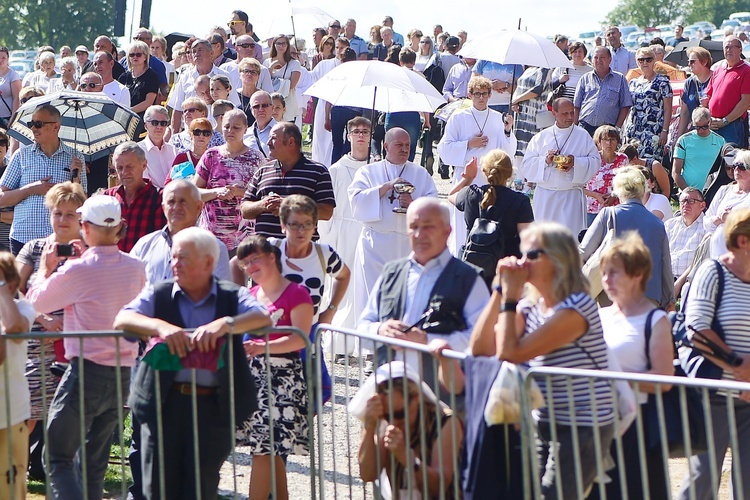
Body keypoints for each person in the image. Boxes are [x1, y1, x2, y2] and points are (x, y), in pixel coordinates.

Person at [115, 227, 271, 500]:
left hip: (212, 409)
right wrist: (159, 326)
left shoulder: (230, 296)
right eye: (174, 257)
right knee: (158, 489)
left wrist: (226, 324)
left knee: (199, 489)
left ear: (208, 262)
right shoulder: (160, 293)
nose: (175, 263)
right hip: (163, 405)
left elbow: (263, 317)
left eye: (184, 257)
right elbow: (124, 319)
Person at [470, 222, 615, 499]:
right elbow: (480, 347)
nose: (523, 262)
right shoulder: (532, 304)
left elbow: (509, 352)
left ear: (559, 259)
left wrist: (511, 298)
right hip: (544, 421)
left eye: (532, 255)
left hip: (583, 425)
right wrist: (501, 290)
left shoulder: (578, 306)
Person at [27, 194, 146, 500]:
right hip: (122, 376)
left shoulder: (78, 270)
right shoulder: (135, 267)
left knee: (57, 457)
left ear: (85, 227)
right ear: (119, 227)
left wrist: (45, 268)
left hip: (86, 373)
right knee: (93, 463)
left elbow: (35, 302)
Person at [675, 207, 750, 500]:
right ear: (743, 241)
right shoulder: (713, 271)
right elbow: (696, 330)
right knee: (702, 480)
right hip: (713, 395)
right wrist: (738, 366)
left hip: (748, 397)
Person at [594, 232, 674, 500]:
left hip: (637, 429)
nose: (606, 280)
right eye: (604, 272)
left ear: (637, 274)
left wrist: (614, 378)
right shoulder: (597, 315)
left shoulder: (656, 320)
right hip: (596, 422)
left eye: (614, 273)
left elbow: (663, 380)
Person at [233, 234, 313, 500]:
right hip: (254, 381)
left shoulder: (297, 293)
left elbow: (300, 338)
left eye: (255, 259)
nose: (251, 267)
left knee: (263, 450)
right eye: (246, 263)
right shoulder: (251, 294)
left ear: (271, 257)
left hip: (283, 381)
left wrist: (262, 347)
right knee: (270, 450)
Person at [349, 128, 438, 320]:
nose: (404, 149)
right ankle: (372, 346)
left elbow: (434, 207)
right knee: (372, 297)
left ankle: (401, 344)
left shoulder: (420, 173)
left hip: (409, 246)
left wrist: (413, 204)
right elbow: (356, 201)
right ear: (386, 146)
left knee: (406, 299)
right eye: (399, 145)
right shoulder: (368, 171)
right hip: (375, 246)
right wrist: (387, 187)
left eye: (407, 145)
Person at [351, 361, 464, 499]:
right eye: (388, 416)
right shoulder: (382, 420)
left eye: (400, 414)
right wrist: (369, 427)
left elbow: (438, 488)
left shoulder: (445, 422)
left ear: (416, 398)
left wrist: (405, 456)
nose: (394, 422)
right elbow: (368, 474)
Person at [438, 76, 517, 255]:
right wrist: (468, 144)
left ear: (490, 95)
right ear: (469, 94)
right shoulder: (458, 117)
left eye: (484, 94)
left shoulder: (498, 118)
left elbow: (508, 151)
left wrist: (507, 130)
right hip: (466, 178)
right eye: (477, 94)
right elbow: (444, 149)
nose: (481, 98)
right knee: (462, 222)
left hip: (491, 180)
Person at [581, 167, 674, 308]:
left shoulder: (608, 215)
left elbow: (584, 252)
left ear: (617, 190)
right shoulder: (657, 224)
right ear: (644, 189)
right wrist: (669, 301)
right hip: (648, 299)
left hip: (611, 297)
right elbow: (666, 266)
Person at [0, 104, 86, 255]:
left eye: (38, 124)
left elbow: (82, 205)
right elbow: (2, 198)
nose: (33, 128)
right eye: (31, 124)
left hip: (59, 240)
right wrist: (31, 189)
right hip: (23, 238)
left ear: (56, 127)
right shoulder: (21, 155)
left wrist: (76, 180)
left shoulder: (76, 158)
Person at [448, 151, 534, 285]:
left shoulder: (471, 194)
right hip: (506, 271)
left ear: (484, 171)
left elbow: (451, 195)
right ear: (510, 173)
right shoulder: (520, 201)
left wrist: (468, 178)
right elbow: (527, 240)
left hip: (473, 267)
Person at [318, 117, 370, 334]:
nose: (360, 135)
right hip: (342, 232)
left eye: (365, 132)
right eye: (356, 131)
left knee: (363, 286)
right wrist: (328, 237)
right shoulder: (336, 169)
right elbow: (328, 208)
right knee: (341, 285)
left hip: (366, 231)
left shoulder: (375, 168)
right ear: (348, 136)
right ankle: (337, 336)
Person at [519, 97, 600, 237]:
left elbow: (595, 161)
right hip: (546, 198)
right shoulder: (541, 137)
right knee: (545, 241)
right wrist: (545, 160)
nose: (569, 117)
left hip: (571, 198)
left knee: (570, 240)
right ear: (554, 113)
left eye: (571, 113)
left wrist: (575, 162)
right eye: (565, 113)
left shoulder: (583, 136)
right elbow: (526, 166)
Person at [241, 122, 335, 239]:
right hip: (264, 252)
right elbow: (244, 210)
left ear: (290, 142)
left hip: (301, 252)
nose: (268, 143)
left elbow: (326, 212)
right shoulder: (262, 171)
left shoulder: (318, 172)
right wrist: (264, 204)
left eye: (273, 138)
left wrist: (289, 206)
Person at [193, 109, 264, 254]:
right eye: (226, 126)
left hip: (244, 240)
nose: (230, 131)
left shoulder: (256, 159)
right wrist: (217, 192)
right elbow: (194, 192)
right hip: (211, 237)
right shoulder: (211, 155)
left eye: (236, 127)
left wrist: (239, 192)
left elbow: (262, 197)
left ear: (245, 129)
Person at [0, 252, 37, 500]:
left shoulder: (24, 308)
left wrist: (2, 290)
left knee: (12, 491)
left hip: (12, 414)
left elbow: (13, 326)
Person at [104, 141, 167, 252]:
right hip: (112, 266)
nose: (124, 172)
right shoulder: (107, 197)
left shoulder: (159, 198)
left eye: (129, 167)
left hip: (144, 266)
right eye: (119, 168)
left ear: (143, 165)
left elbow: (161, 242)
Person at [622, 47, 673, 163]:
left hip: (653, 129)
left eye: (648, 59)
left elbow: (668, 109)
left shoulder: (662, 82)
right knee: (632, 162)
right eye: (641, 60)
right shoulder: (633, 83)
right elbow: (629, 107)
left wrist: (665, 131)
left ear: (654, 61)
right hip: (634, 130)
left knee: (650, 164)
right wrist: (625, 130)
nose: (645, 62)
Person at [574, 46, 633, 135]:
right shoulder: (585, 78)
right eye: (596, 57)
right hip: (585, 127)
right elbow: (576, 105)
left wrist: (617, 127)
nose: (598, 60)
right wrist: (575, 127)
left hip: (607, 130)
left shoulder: (620, 79)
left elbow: (625, 105)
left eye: (602, 57)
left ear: (610, 60)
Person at [703, 149, 750, 258]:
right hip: (717, 257)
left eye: (742, 166)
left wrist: (732, 218)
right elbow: (706, 221)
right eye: (735, 165)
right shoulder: (724, 191)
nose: (737, 169)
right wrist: (719, 219)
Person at [705, 36, 750, 148]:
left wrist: (725, 121)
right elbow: (708, 96)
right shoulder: (718, 69)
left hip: (732, 125)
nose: (728, 50)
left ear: (740, 50)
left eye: (732, 47)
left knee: (732, 161)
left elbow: (745, 102)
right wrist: (708, 118)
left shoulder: (746, 70)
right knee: (714, 162)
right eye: (726, 47)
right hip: (713, 124)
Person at [674, 106, 727, 191]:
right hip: (689, 194)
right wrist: (688, 192)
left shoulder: (720, 141)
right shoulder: (683, 140)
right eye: (697, 127)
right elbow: (676, 172)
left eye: (704, 127)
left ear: (710, 122)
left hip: (713, 193)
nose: (701, 131)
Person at [584, 125, 629, 225]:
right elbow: (579, 186)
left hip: (616, 208)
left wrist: (614, 195)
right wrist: (596, 195)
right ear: (599, 142)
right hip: (593, 209)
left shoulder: (623, 159)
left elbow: (627, 183)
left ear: (617, 141)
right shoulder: (592, 158)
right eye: (605, 139)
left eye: (612, 139)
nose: (609, 143)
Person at [667, 188, 707, 296]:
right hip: (665, 277)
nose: (685, 204)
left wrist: (679, 283)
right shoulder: (670, 225)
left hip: (691, 281)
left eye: (691, 201)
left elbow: (699, 262)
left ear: (702, 205)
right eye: (682, 201)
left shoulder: (707, 228)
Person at [510, 65, 552, 155]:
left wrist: (516, 100)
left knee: (534, 150)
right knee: (519, 151)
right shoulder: (527, 70)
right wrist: (515, 103)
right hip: (521, 116)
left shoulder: (544, 69)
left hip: (536, 116)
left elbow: (538, 90)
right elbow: (519, 88)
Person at [119, 40, 160, 129]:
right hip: (122, 117)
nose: (135, 57)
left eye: (138, 54)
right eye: (132, 55)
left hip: (142, 119)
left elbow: (148, 102)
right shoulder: (123, 76)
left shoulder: (152, 76)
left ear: (145, 56)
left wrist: (128, 111)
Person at [138, 105, 177, 188]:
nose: (159, 127)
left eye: (163, 123)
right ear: (146, 126)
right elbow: (143, 183)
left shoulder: (173, 150)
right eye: (155, 123)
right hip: (151, 198)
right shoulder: (137, 151)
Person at [677, 47, 713, 137]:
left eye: (692, 61)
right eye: (688, 62)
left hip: (713, 130)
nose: (689, 65)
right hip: (695, 132)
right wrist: (679, 137)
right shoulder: (690, 82)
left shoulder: (716, 78)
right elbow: (685, 113)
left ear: (704, 62)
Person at [265, 35, 302, 122]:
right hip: (271, 103)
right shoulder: (267, 62)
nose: (281, 46)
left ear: (287, 45)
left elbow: (292, 85)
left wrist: (275, 82)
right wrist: (271, 67)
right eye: (278, 43)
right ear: (274, 45)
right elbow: (264, 82)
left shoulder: (294, 63)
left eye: (284, 44)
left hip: (288, 102)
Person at [166, 118, 212, 183]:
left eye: (206, 133)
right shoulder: (182, 157)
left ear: (210, 136)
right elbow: (168, 183)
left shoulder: (214, 159)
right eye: (197, 132)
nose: (201, 136)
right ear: (190, 134)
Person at [243, 90, 276, 158]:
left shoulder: (283, 132)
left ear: (272, 108)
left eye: (264, 105)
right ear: (251, 110)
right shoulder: (244, 133)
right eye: (256, 106)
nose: (261, 109)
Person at [0, 46, 21, 128]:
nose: (0, 60)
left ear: (8, 59)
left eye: (3, 58)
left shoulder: (13, 75)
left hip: (6, 118)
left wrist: (13, 118)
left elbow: (17, 97)